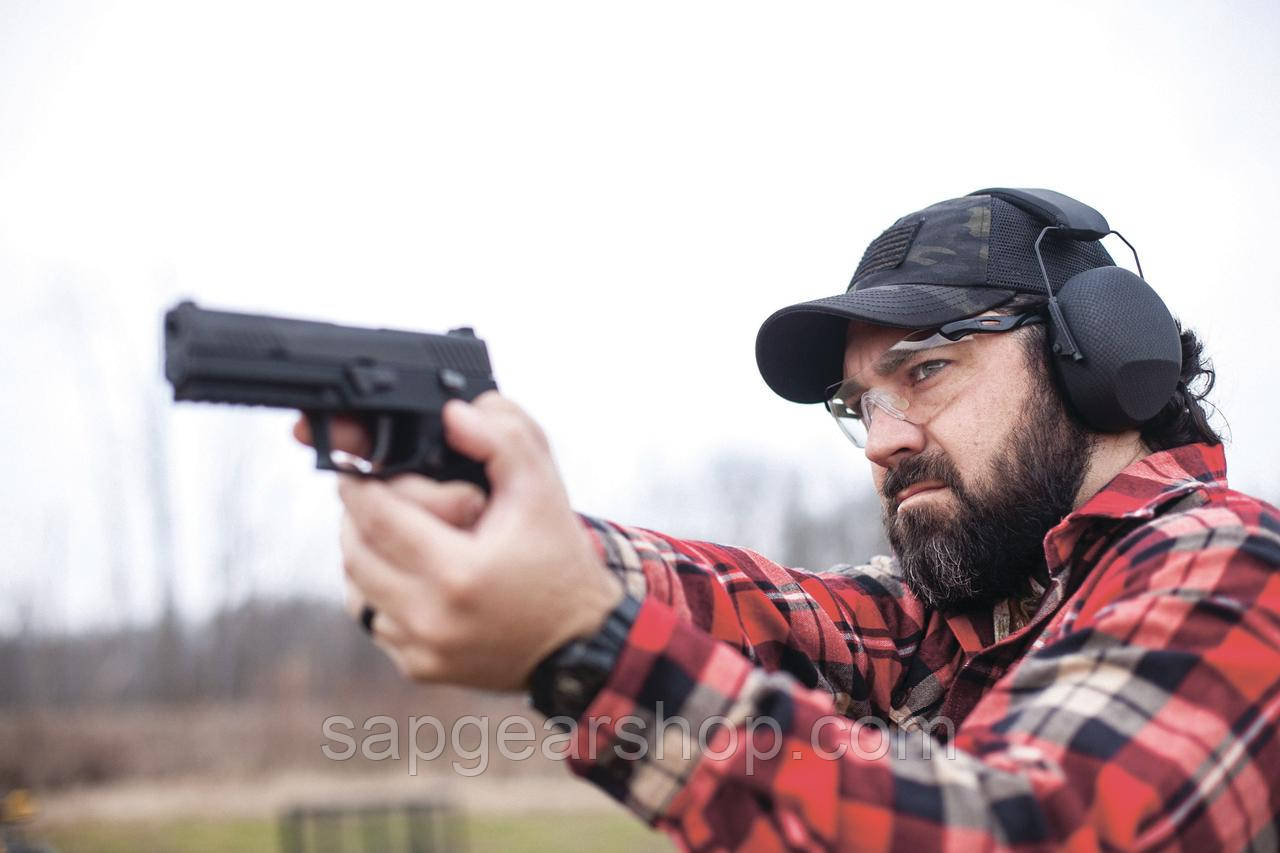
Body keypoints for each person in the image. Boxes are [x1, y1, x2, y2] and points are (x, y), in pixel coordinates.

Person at [295, 188, 1280, 850]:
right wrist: (500, 516)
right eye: (858, 407)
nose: (881, 441)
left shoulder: (1230, 566)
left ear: (1097, 355)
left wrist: (581, 641)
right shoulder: (980, 607)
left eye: (924, 371)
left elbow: (1016, 825)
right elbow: (762, 610)